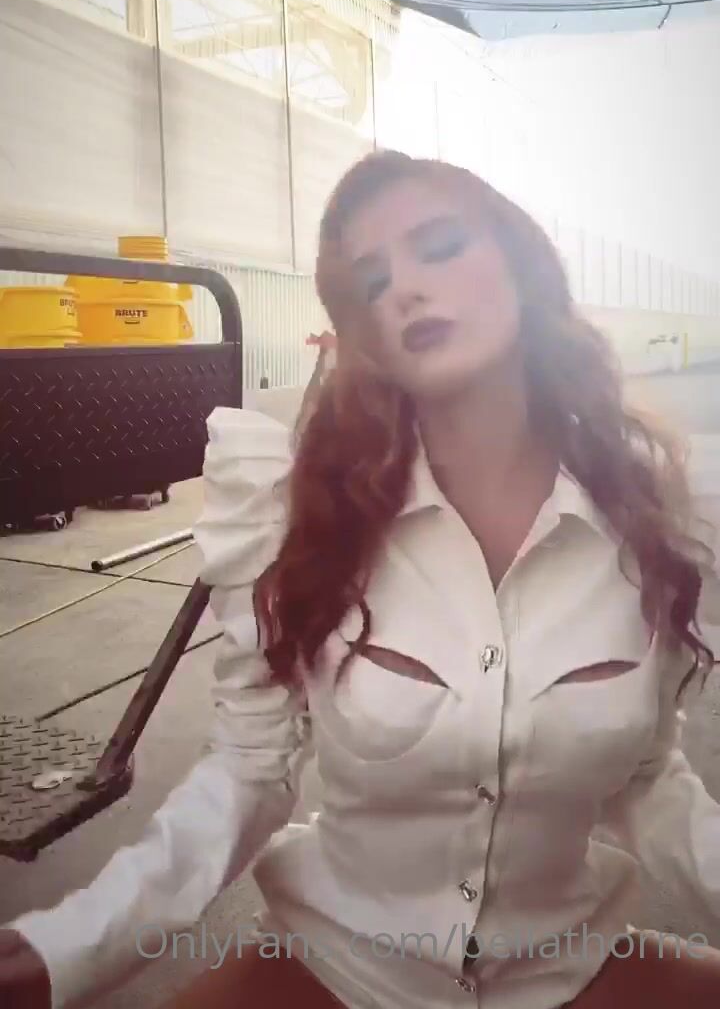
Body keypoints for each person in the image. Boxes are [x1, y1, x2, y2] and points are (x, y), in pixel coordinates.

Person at [3, 149, 720, 1009]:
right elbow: (249, 769)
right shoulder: (295, 513)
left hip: (567, 965)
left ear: (523, 266)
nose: (405, 288)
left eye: (439, 246)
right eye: (372, 281)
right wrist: (69, 948)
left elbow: (647, 776)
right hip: (335, 967)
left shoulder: (657, 512)